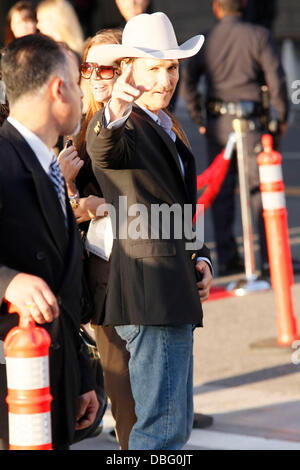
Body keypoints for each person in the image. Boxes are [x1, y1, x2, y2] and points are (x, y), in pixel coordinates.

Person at [86, 12, 213, 450]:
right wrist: (115, 108)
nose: (166, 78)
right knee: (159, 430)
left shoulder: (164, 124)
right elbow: (102, 147)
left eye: (172, 66)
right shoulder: (125, 123)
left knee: (172, 427)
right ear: (127, 70)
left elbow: (179, 208)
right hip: (149, 296)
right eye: (153, 66)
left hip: (171, 289)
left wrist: (201, 258)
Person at [0, 33, 99, 450]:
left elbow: (63, 283)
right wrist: (7, 282)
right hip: (11, 382)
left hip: (54, 373)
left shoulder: (49, 164)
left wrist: (80, 376)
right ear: (58, 89)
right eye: (78, 84)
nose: (82, 94)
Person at [58, 28, 137, 450]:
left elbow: (178, 203)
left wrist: (201, 259)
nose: (97, 76)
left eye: (107, 67)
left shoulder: (154, 121)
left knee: (162, 405)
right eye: (89, 68)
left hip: (152, 276)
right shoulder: (80, 127)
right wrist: (71, 191)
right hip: (104, 278)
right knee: (125, 403)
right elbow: (63, 214)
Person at [181, 0, 289, 277]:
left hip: (219, 124)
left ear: (217, 8)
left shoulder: (207, 40)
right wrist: (281, 119)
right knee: (258, 192)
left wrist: (199, 118)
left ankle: (228, 257)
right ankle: (267, 258)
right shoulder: (259, 35)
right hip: (252, 123)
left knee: (222, 191)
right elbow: (276, 81)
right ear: (242, 6)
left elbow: (188, 81)